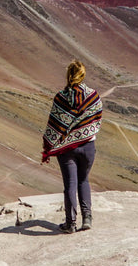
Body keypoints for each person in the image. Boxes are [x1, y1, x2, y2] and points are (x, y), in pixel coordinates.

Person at [41, 59, 102, 234]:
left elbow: (54, 124)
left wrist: (49, 144)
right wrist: (84, 132)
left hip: (66, 150)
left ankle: (70, 224)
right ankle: (87, 219)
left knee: (70, 184)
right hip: (88, 145)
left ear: (68, 75)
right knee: (84, 180)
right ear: (82, 75)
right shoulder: (93, 96)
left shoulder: (60, 97)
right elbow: (97, 118)